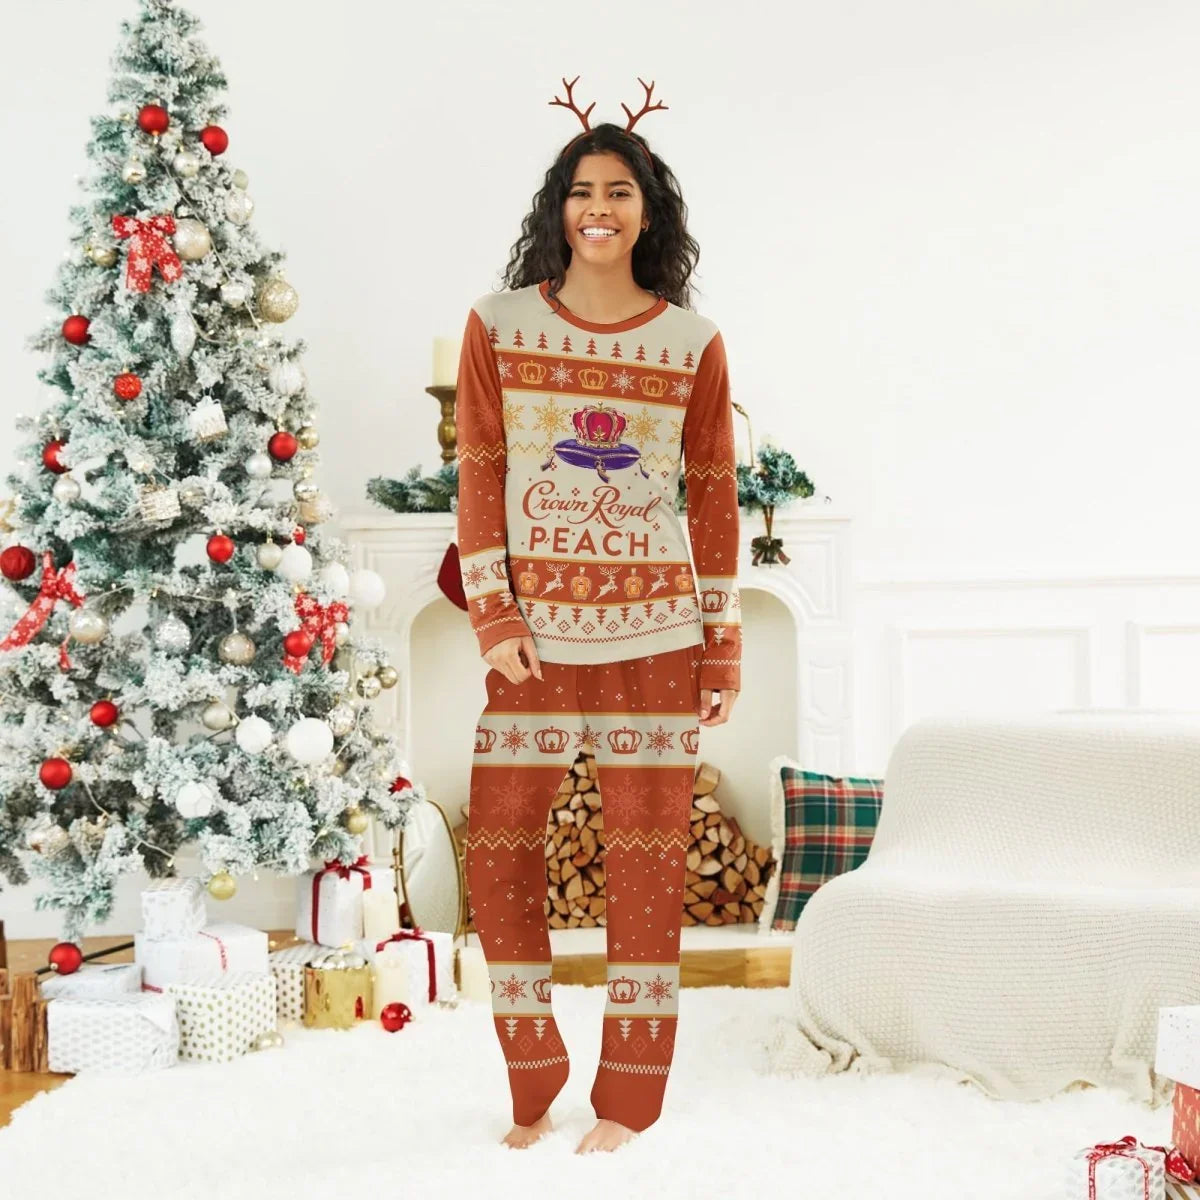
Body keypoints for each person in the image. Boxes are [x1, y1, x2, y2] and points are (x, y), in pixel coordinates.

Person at [454, 77, 742, 1154]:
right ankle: (534, 1073)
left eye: (621, 191)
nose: (600, 209)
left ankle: (629, 1097)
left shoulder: (692, 344)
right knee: (500, 852)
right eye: (582, 191)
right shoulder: (499, 326)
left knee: (649, 859)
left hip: (658, 637)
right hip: (533, 642)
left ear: (649, 211)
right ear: (558, 208)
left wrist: (721, 647)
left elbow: (711, 495)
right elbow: (478, 472)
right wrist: (494, 616)